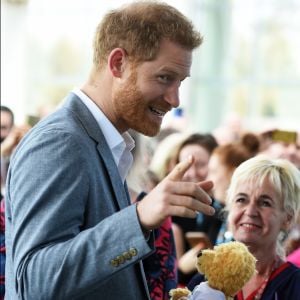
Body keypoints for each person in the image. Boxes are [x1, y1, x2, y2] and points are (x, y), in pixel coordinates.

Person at [5, 2, 215, 300]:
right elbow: (35, 282)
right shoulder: (60, 141)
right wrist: (139, 218)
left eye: (180, 82)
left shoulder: (101, 141)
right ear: (118, 64)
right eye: (164, 78)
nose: (175, 99)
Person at [188, 156, 300, 299]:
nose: (250, 211)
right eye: (241, 200)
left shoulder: (295, 285)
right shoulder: (206, 281)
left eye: (265, 203)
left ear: (288, 218)